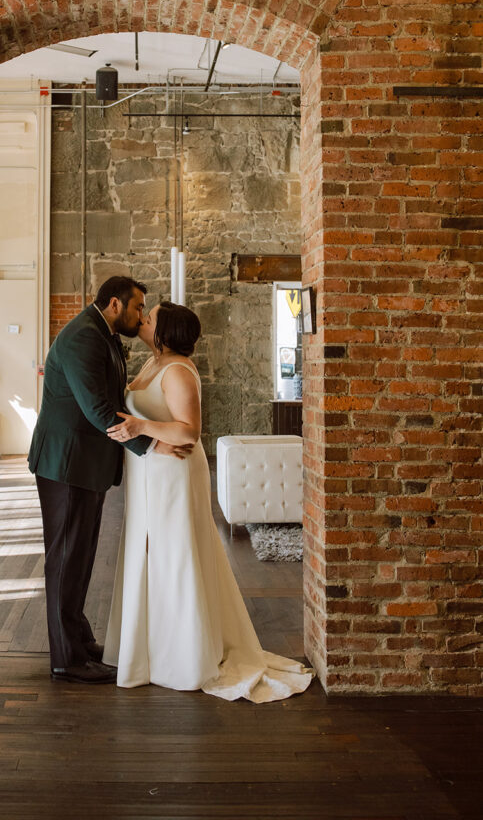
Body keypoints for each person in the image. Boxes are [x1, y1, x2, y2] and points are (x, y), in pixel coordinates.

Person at [103, 301, 314, 703]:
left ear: (165, 332)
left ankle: (181, 655)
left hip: (173, 476)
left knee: (174, 556)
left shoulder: (179, 371)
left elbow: (190, 432)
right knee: (150, 555)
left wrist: (143, 427)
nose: (143, 319)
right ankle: (146, 649)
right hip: (149, 473)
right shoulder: (153, 363)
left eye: (151, 317)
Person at [28, 276, 182, 685]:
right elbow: (99, 410)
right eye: (137, 308)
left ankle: (78, 639)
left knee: (79, 557)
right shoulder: (83, 337)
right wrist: (153, 446)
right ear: (115, 303)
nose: (139, 317)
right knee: (65, 560)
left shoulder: (104, 334)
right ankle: (66, 659)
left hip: (85, 465)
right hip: (65, 465)